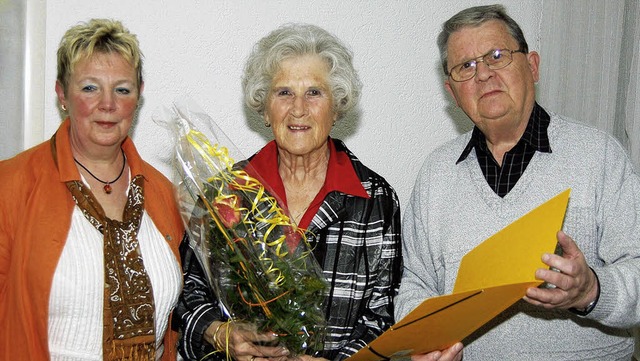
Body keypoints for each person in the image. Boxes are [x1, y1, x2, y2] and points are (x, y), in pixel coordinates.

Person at [176, 23, 461, 361]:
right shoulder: (226, 193)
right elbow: (186, 294)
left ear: (337, 107)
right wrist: (220, 333)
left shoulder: (376, 200)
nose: (298, 108)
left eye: (314, 92)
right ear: (265, 108)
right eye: (283, 92)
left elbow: (383, 315)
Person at [395, 3, 640, 360]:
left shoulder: (600, 155)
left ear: (532, 65)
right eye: (466, 66)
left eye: (496, 56)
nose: (483, 75)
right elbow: (413, 286)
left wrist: (591, 290)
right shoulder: (436, 173)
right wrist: (426, 339)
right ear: (452, 92)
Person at [0, 19, 184, 360]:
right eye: (89, 88)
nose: (108, 104)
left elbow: (183, 315)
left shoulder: (164, 195)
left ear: (138, 96)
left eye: (122, 89)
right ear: (62, 95)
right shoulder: (9, 187)